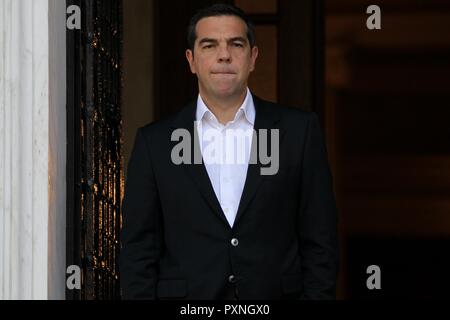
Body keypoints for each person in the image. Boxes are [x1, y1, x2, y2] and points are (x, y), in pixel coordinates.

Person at [120, 3, 339, 300]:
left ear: (253, 57)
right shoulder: (155, 143)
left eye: (236, 44)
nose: (224, 55)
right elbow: (138, 252)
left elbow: (321, 242)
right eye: (209, 45)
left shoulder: (298, 132)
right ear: (191, 60)